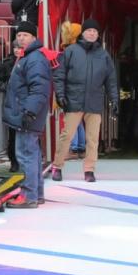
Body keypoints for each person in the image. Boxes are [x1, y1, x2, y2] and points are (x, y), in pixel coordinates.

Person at [52, 18, 118, 182]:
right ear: (83, 32)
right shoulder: (71, 51)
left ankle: (89, 169)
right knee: (66, 135)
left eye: (95, 31)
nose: (92, 33)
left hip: (94, 101)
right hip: (73, 99)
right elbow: (60, 76)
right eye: (89, 30)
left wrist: (114, 100)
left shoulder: (103, 55)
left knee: (93, 138)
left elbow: (111, 80)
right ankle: (57, 166)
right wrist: (60, 95)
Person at [3, 21, 52, 209]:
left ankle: (28, 195)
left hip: (27, 114)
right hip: (28, 113)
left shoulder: (34, 59)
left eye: (25, 35)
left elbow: (39, 88)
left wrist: (29, 111)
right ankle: (36, 193)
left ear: (33, 37)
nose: (21, 38)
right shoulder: (29, 57)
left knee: (25, 154)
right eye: (19, 35)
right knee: (32, 154)